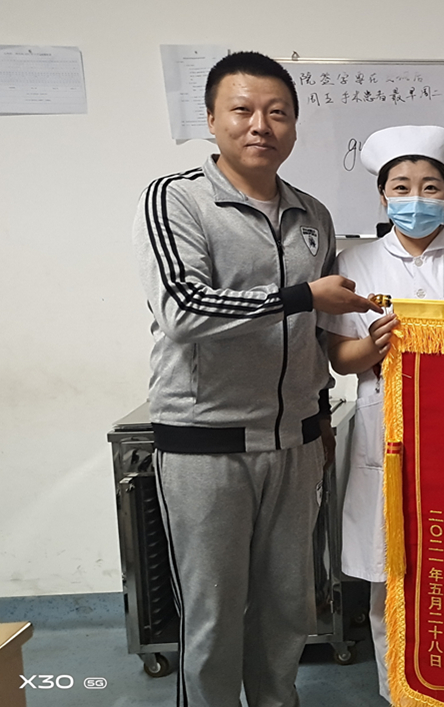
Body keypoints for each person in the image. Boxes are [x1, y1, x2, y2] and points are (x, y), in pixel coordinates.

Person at [132, 51, 380, 707]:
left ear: (294, 125)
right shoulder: (177, 199)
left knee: (287, 612)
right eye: (242, 110)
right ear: (212, 119)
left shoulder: (312, 215)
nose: (260, 126)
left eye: (277, 113)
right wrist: (301, 296)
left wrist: (320, 418)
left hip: (294, 446)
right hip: (205, 445)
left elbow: (314, 334)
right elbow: (184, 309)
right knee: (214, 617)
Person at [321, 124, 444, 702]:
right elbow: (339, 358)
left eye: (430, 188)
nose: (416, 199)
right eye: (401, 187)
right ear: (383, 196)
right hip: (385, 431)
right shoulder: (355, 261)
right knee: (392, 578)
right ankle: (399, 693)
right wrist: (373, 346)